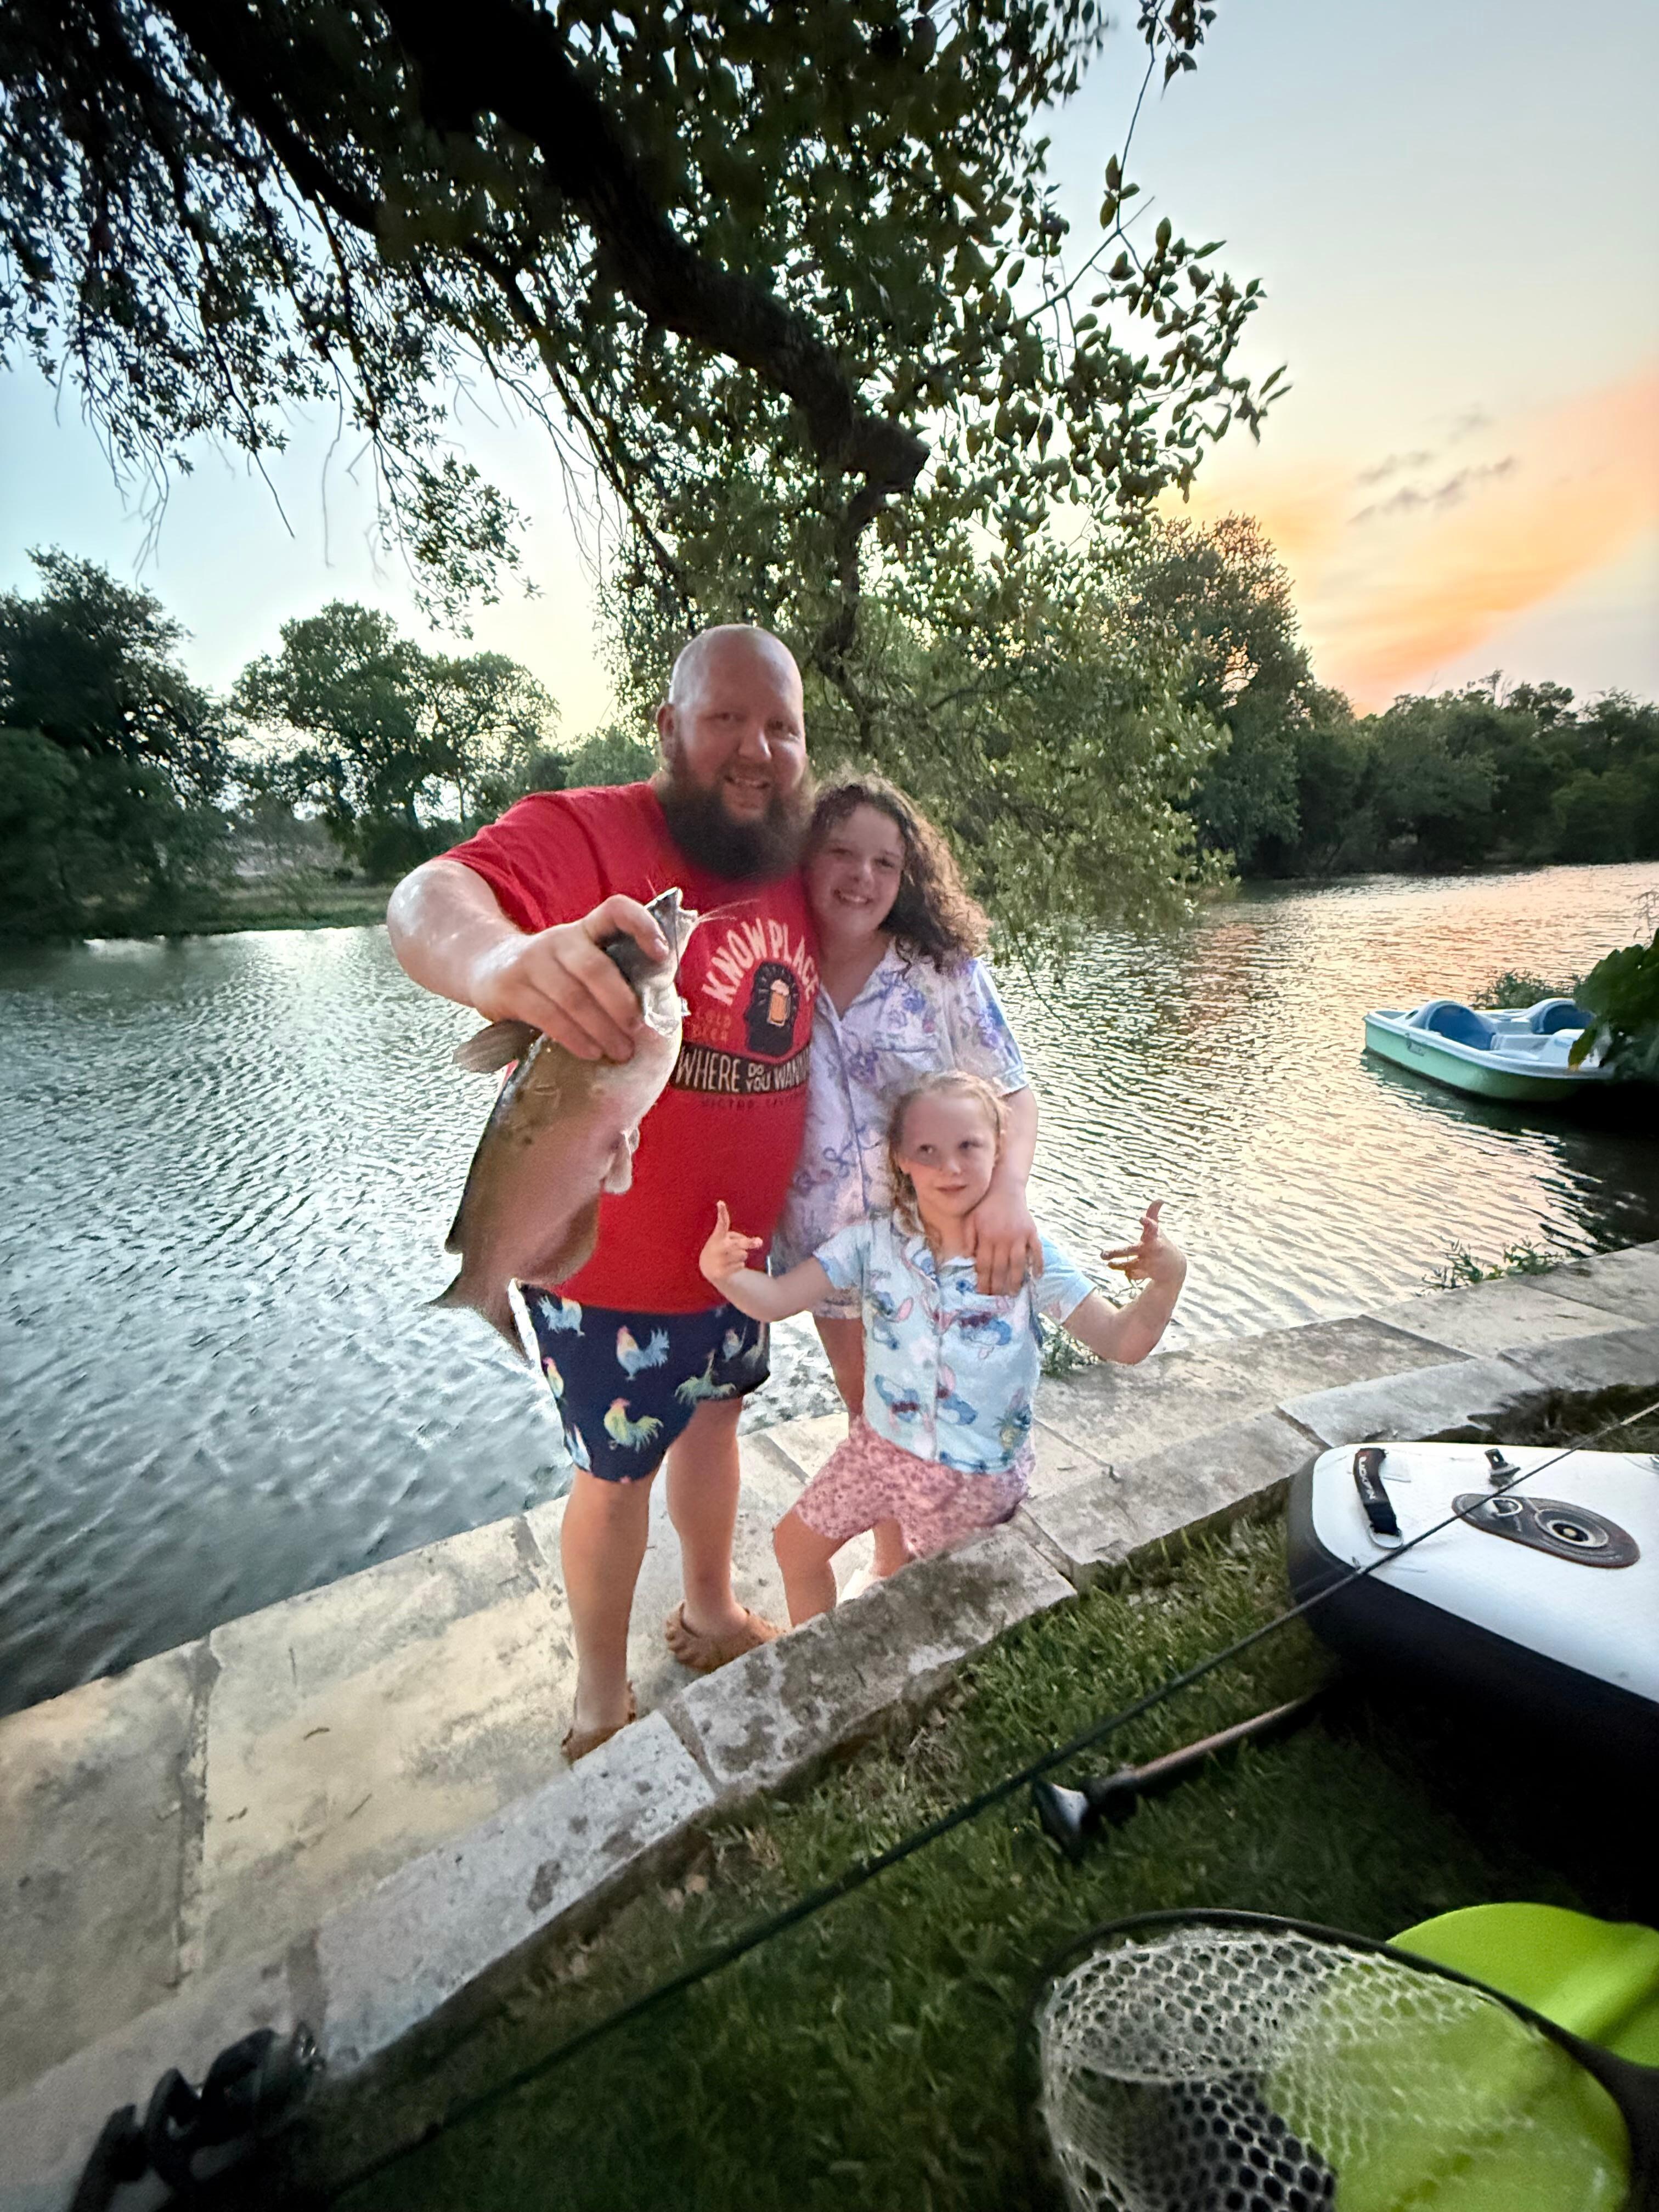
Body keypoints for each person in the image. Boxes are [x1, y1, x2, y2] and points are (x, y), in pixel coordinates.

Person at [386, 624, 819, 1760]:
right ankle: (597, 1701)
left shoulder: (797, 855)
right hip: (604, 1276)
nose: (756, 749)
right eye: (725, 719)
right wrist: (501, 964)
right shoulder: (585, 832)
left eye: (780, 727)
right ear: (668, 728)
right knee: (614, 1479)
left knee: (718, 1431)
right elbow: (429, 899)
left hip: (740, 1269)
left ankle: (709, 1611)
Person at [699, 1070, 1187, 1623]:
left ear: (999, 1149)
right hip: (878, 1453)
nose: (949, 1167)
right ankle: (821, 1654)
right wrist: (724, 1274)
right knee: (795, 1548)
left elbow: (1122, 1341)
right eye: (927, 1151)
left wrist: (1168, 1280)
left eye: (968, 1147)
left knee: (947, 1610)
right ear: (900, 1159)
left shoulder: (1026, 1254)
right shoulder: (871, 1243)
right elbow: (776, 1300)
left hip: (975, 1478)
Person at [770, 771, 1041, 1579]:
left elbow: (1014, 1094)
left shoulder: (940, 971)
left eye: (885, 863)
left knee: (954, 1405)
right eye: (842, 854)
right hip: (829, 1251)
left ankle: (937, 1556)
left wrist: (1009, 1194)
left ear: (907, 875)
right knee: (871, 1414)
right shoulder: (775, 970)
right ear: (805, 858)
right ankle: (894, 1568)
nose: (862, 877)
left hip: (934, 1245)